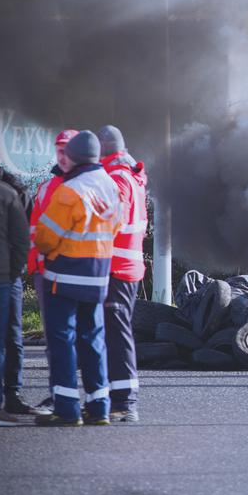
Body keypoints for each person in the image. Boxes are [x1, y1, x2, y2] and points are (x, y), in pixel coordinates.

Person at [33, 131, 121, 426]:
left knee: (62, 342)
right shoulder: (111, 186)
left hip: (64, 276)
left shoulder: (69, 191)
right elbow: (116, 227)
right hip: (98, 278)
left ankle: (67, 409)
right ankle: (100, 408)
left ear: (74, 157)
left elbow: (45, 238)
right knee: (94, 340)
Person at [0, 136, 47, 416]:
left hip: (2, 278)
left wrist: (13, 273)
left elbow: (22, 238)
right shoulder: (9, 193)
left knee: (9, 338)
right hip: (2, 278)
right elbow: (22, 239)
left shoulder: (15, 189)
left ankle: (9, 395)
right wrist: (12, 272)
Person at [97, 125, 148, 423]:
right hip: (126, 267)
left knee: (116, 335)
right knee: (115, 334)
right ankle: (116, 398)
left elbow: (111, 223)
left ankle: (124, 403)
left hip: (116, 268)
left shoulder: (116, 179)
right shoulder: (129, 175)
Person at [28, 130, 78, 410]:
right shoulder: (46, 188)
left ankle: (95, 398)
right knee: (56, 339)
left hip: (81, 271)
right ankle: (60, 394)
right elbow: (35, 230)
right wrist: (36, 266)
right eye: (59, 149)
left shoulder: (90, 184)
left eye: (67, 149)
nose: (62, 155)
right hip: (48, 273)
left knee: (87, 336)